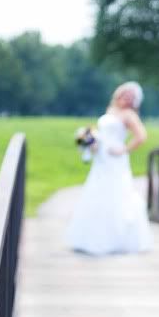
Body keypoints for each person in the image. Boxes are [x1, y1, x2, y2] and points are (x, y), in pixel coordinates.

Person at [65, 81, 153, 255]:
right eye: (125, 93)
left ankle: (116, 239)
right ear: (118, 93)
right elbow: (104, 132)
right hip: (101, 158)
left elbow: (141, 136)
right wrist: (92, 140)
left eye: (131, 97)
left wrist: (124, 149)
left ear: (134, 101)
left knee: (116, 193)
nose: (126, 98)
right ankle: (91, 237)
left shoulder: (129, 114)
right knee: (97, 191)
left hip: (115, 159)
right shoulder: (111, 110)